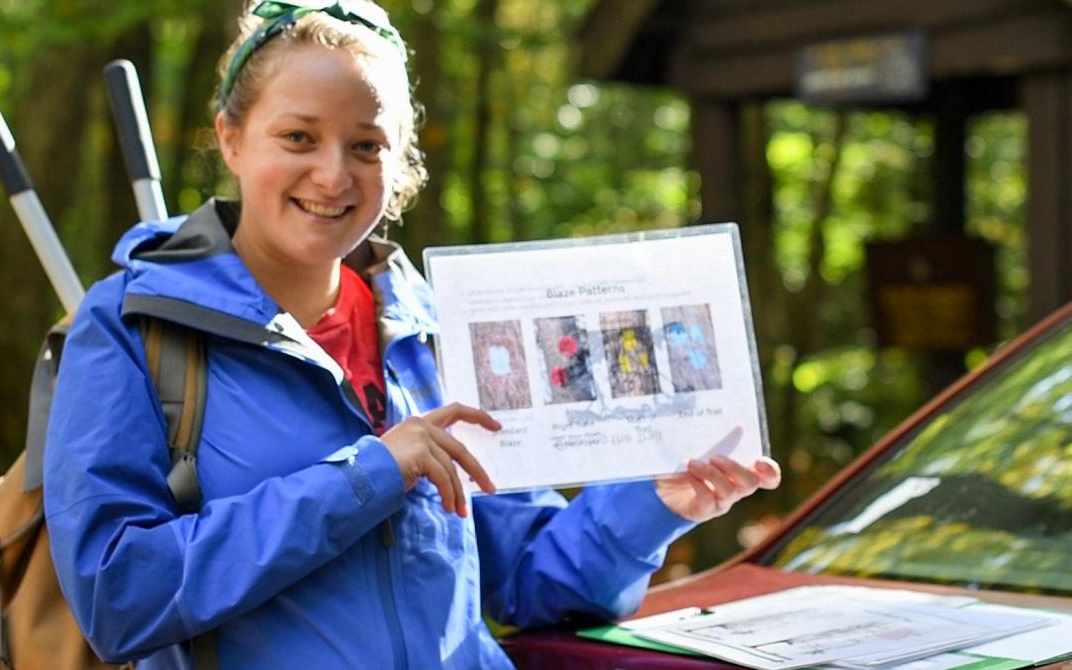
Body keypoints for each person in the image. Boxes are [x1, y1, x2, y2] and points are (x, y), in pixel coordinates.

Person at [43, 1, 782, 668]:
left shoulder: (437, 334)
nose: (333, 175)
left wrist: (656, 500)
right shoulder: (130, 325)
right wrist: (367, 476)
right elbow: (119, 596)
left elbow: (531, 581)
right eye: (299, 136)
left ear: (400, 168)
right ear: (231, 140)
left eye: (367, 146)